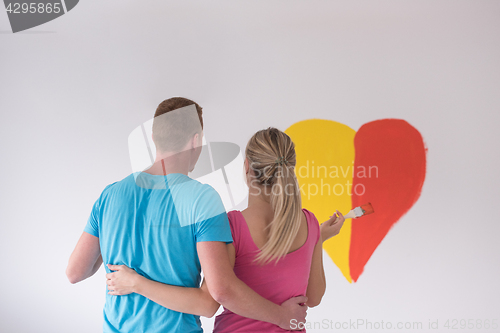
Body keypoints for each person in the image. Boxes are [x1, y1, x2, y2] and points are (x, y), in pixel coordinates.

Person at [66, 98, 308, 333]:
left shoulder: (111, 195)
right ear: (196, 141)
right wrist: (282, 316)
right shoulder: (202, 200)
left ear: (154, 138)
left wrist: (128, 271)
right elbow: (208, 303)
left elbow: (75, 272)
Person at [106, 127, 345, 332]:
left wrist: (137, 282)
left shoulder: (231, 226)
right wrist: (317, 240)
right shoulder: (310, 224)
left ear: (247, 168)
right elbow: (314, 298)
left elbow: (214, 296)